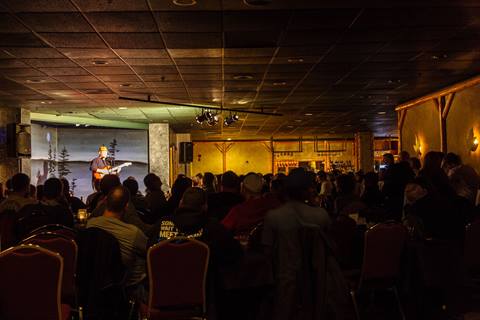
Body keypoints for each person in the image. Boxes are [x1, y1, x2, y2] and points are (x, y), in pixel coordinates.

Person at [261, 168, 330, 320]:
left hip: (285, 282)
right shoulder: (321, 216)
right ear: (310, 190)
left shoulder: (273, 216)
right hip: (318, 283)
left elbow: (267, 253)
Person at [87, 186, 147, 287]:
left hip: (93, 286)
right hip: (125, 289)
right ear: (126, 206)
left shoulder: (90, 224)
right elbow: (150, 252)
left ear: (105, 201)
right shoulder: (133, 233)